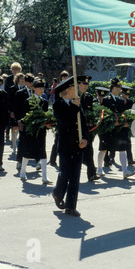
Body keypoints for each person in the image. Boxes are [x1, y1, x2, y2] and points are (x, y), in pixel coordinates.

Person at [52, 76, 88, 217]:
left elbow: (83, 124)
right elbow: (64, 122)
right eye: (74, 88)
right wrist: (74, 107)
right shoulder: (58, 105)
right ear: (67, 91)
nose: (77, 90)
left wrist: (85, 138)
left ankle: (70, 206)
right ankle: (58, 192)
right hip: (66, 146)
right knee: (65, 173)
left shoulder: (77, 104)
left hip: (78, 146)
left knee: (75, 177)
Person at [97, 78, 134, 179]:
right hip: (108, 130)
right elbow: (104, 114)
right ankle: (99, 169)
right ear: (111, 88)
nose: (117, 89)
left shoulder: (120, 100)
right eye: (116, 87)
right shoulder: (106, 99)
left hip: (118, 129)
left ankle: (125, 171)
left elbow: (123, 114)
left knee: (122, 149)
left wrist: (125, 122)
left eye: (119, 88)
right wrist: (112, 121)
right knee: (103, 149)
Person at [19, 79, 53, 184]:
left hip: (41, 131)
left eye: (43, 88)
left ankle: (44, 176)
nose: (41, 90)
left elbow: (46, 115)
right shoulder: (28, 101)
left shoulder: (44, 102)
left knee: (42, 152)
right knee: (27, 152)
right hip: (30, 130)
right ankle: (23, 172)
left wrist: (48, 124)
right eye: (39, 88)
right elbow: (25, 116)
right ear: (33, 88)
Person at [78, 75, 100, 182]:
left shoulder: (89, 97)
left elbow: (91, 112)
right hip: (76, 129)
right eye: (83, 84)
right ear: (78, 84)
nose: (85, 86)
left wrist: (92, 121)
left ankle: (91, 174)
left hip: (87, 129)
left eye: (87, 84)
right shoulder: (74, 95)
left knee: (89, 150)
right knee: (76, 153)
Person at [49, 70, 70, 167]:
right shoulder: (58, 88)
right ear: (61, 78)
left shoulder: (71, 87)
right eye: (63, 77)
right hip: (60, 113)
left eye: (66, 77)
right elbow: (57, 100)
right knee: (57, 139)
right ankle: (52, 159)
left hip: (68, 114)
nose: (65, 79)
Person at [14, 74, 35, 171]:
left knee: (35, 140)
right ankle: (19, 161)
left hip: (34, 120)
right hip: (23, 120)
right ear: (25, 82)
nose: (31, 84)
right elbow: (17, 108)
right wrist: (18, 121)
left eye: (32, 82)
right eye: (29, 82)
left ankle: (37, 159)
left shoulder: (36, 92)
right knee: (22, 141)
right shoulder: (19, 93)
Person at [8, 73, 26, 152]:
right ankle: (14, 145)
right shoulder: (12, 88)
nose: (22, 80)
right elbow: (10, 100)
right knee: (14, 128)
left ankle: (20, 144)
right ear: (17, 79)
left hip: (23, 111)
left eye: (23, 79)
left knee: (21, 128)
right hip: (15, 110)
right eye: (21, 78)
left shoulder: (26, 88)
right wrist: (11, 111)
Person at [121, 85, 135, 166]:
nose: (126, 96)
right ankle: (111, 158)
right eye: (125, 94)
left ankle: (130, 160)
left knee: (128, 143)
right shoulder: (118, 100)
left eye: (127, 95)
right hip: (118, 124)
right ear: (121, 92)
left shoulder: (130, 102)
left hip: (127, 125)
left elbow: (132, 113)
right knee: (115, 142)